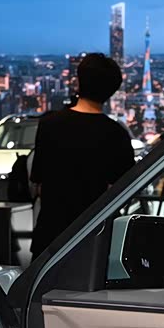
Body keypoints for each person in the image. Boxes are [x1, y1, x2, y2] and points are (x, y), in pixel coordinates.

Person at [30, 53, 135, 258]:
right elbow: (122, 189)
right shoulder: (116, 134)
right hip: (94, 237)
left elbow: (38, 181)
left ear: (78, 82)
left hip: (51, 234)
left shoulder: (49, 125)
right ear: (112, 91)